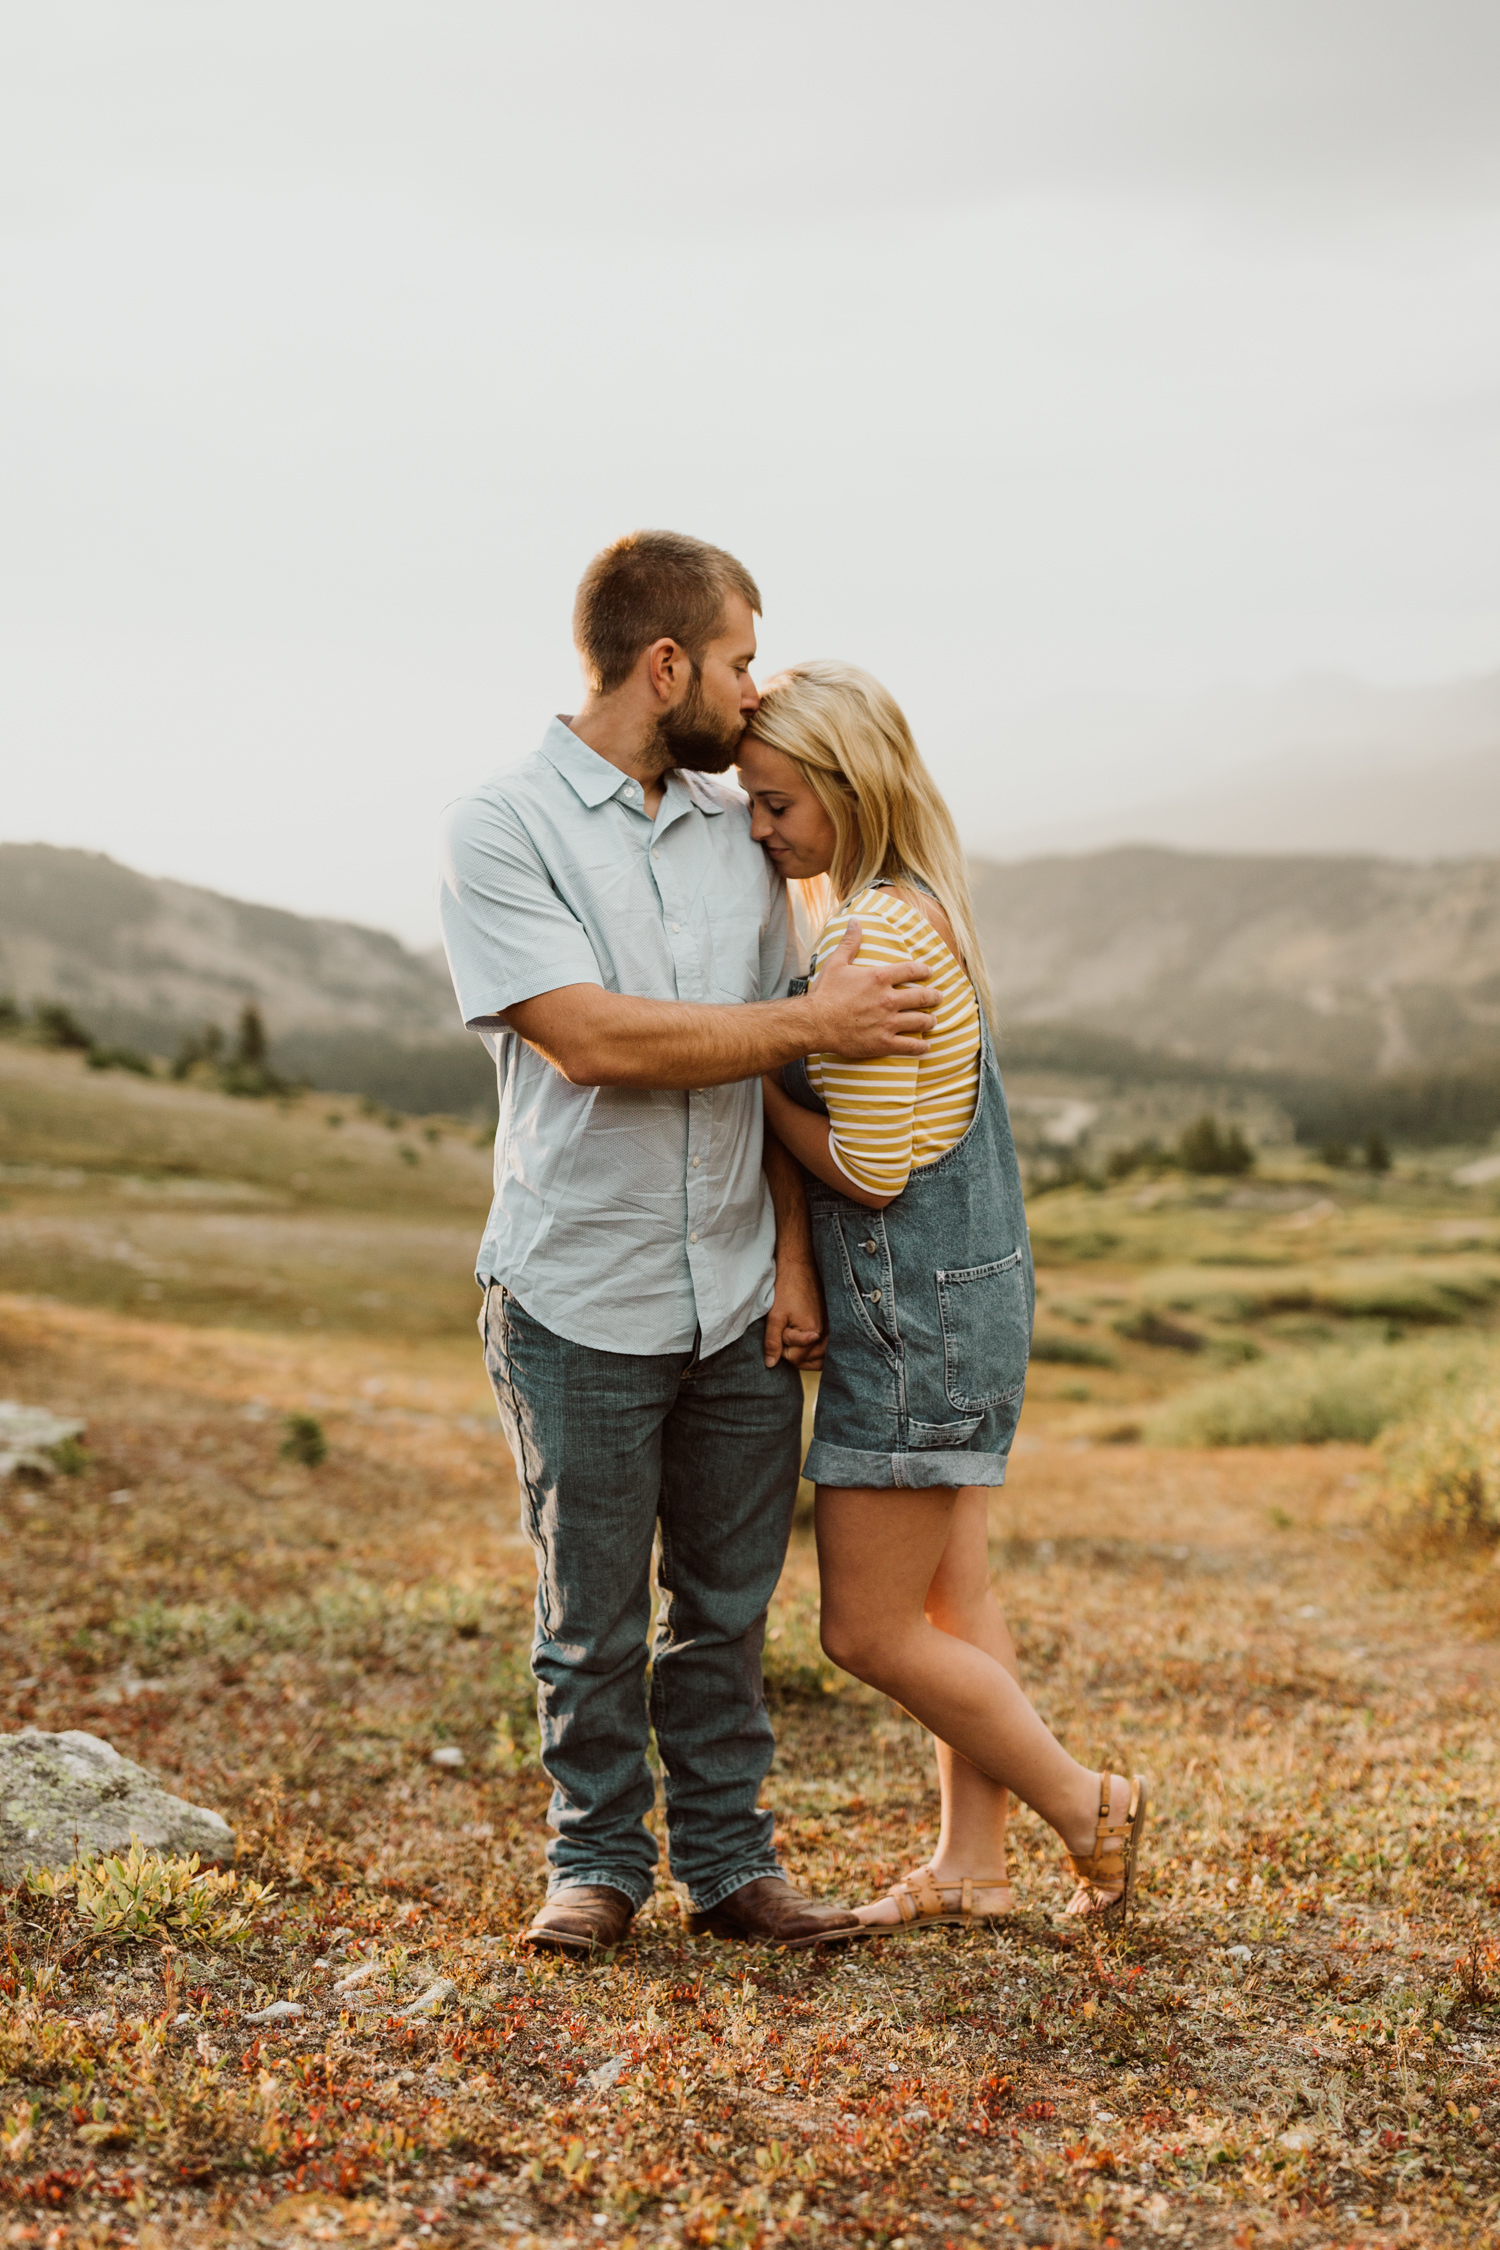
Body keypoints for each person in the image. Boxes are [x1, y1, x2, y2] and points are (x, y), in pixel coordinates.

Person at [438, 534, 945, 1956]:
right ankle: (595, 1863)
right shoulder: (503, 824)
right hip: (575, 1289)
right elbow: (594, 1041)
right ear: (666, 668)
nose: (751, 685)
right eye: (733, 661)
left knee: (725, 1610)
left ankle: (730, 1866)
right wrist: (814, 1025)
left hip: (735, 1291)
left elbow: (762, 1086)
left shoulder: (746, 833)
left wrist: (789, 1256)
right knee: (590, 1615)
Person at [741, 662, 1150, 1929]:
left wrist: (752, 1073)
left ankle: (1090, 1807)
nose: (763, 832)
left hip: (911, 1318)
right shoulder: (924, 906)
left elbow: (868, 1169)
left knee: (862, 1632)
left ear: (850, 791)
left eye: (779, 805)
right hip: (964, 1298)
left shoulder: (869, 935)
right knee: (953, 1597)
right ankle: (972, 1865)